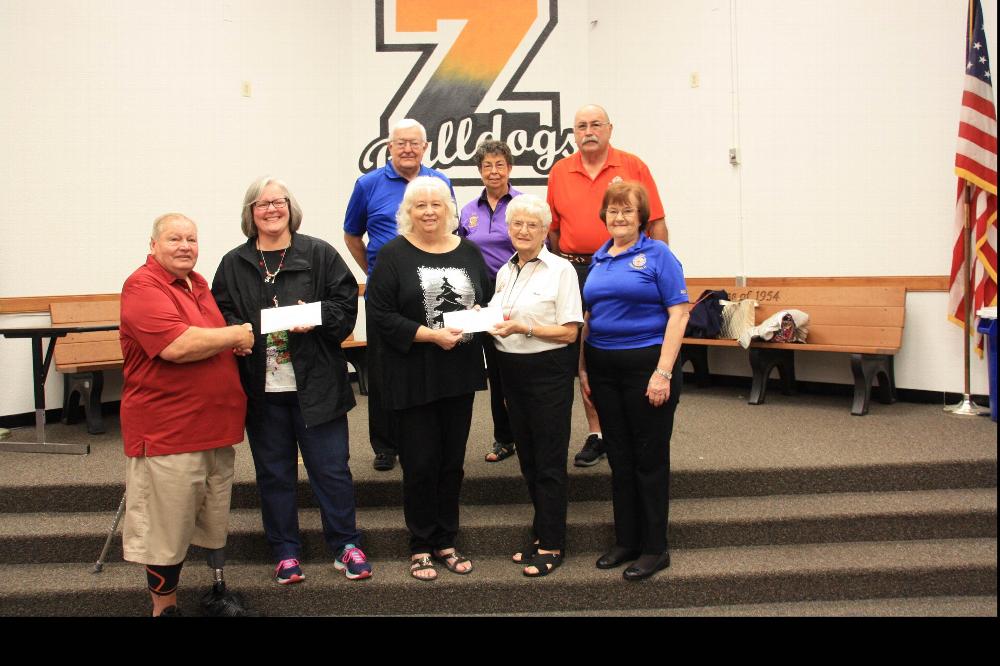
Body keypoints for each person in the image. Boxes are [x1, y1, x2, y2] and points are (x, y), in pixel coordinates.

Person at [213, 177, 371, 584]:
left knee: (332, 471)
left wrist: (315, 317)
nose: (271, 209)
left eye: (278, 202)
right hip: (262, 390)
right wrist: (238, 334)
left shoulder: (319, 253)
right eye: (262, 204)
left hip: (317, 385)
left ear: (290, 207)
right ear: (251, 213)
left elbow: (344, 308)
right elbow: (221, 311)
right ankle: (285, 552)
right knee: (274, 474)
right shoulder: (234, 263)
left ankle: (346, 545)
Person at [120, 213, 257, 617]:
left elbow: (205, 338)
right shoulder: (142, 285)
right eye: (174, 239)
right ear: (153, 245)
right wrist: (236, 334)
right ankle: (165, 609)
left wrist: (228, 344)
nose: (185, 246)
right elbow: (176, 345)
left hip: (214, 431)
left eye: (191, 239)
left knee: (211, 523)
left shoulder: (197, 284)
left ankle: (216, 592)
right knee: (165, 533)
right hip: (170, 435)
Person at [366, 176, 492, 581]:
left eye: (436, 204)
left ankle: (446, 540)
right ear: (407, 211)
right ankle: (420, 544)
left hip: (459, 373)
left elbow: (486, 298)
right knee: (420, 463)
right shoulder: (393, 254)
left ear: (449, 209)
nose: (429, 211)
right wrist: (429, 335)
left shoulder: (469, 251)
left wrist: (481, 314)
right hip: (412, 374)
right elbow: (380, 314)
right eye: (420, 205)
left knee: (452, 463)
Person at [546, 104, 668, 468]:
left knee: (624, 345)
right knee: (586, 350)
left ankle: (630, 422)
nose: (589, 131)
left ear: (610, 129)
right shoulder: (560, 171)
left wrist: (659, 269)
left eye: (596, 124)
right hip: (577, 269)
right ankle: (598, 433)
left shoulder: (633, 166)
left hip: (629, 269)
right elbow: (553, 231)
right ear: (574, 133)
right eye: (581, 126)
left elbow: (656, 222)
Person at [579, 181, 688, 581]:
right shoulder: (599, 258)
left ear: (641, 217)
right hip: (603, 368)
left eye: (627, 210)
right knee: (621, 459)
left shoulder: (659, 255)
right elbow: (589, 317)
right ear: (604, 216)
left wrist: (663, 372)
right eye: (613, 210)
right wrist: (583, 369)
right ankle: (626, 540)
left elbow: (679, 314)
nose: (619, 217)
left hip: (647, 368)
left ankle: (655, 548)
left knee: (649, 459)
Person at [344, 119, 455, 471]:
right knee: (383, 370)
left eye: (414, 143)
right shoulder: (368, 184)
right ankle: (385, 445)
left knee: (425, 367)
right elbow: (352, 235)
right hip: (386, 296)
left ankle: (425, 439)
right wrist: (375, 275)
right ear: (389, 147)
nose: (407, 149)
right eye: (400, 143)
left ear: (425, 147)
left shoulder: (440, 182)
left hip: (431, 290)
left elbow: (450, 230)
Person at [488, 194, 582, 576]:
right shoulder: (505, 271)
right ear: (508, 228)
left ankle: (553, 544)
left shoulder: (561, 270)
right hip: (511, 371)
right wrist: (483, 316)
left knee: (548, 460)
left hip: (547, 371)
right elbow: (500, 317)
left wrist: (524, 326)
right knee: (528, 459)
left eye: (532, 225)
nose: (523, 230)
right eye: (517, 223)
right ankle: (541, 533)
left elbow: (569, 332)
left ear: (545, 231)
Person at [458, 139, 520, 463]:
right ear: (479, 171)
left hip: (516, 293)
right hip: (480, 298)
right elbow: (459, 253)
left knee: (516, 367)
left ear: (509, 168)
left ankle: (528, 432)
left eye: (499, 164)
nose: (493, 171)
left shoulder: (523, 204)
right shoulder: (469, 211)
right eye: (487, 166)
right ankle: (504, 438)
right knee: (493, 369)